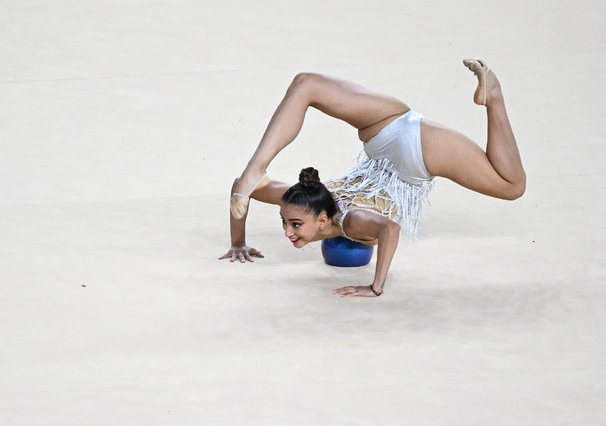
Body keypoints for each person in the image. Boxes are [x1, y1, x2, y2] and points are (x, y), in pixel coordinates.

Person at [219, 59, 526, 298]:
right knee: (306, 83)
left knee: (513, 187)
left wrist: (375, 286)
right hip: (385, 128)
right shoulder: (307, 198)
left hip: (419, 157)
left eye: (294, 224)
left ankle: (495, 97)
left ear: (324, 220)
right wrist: (238, 242)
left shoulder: (351, 223)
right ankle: (255, 167)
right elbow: (240, 189)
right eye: (286, 223)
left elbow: (390, 229)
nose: (288, 231)